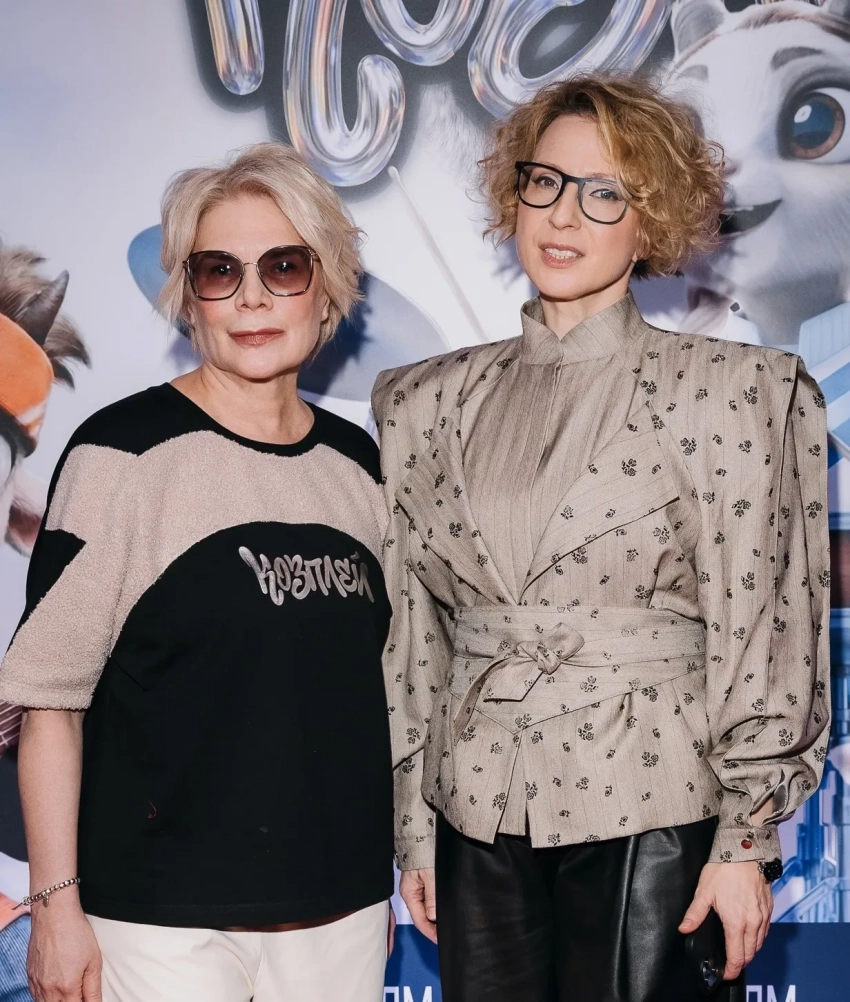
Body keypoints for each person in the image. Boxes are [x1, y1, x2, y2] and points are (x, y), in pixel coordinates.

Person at [372, 76, 830, 1002]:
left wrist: (745, 839)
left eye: (605, 193)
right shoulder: (422, 401)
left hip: (654, 800)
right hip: (477, 804)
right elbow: (414, 636)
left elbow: (764, 626)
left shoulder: (734, 393)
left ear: (650, 217)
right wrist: (415, 828)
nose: (563, 215)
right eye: (545, 181)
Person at [0, 142, 394, 1002]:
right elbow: (49, 701)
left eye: (283, 267)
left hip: (343, 912)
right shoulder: (121, 454)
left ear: (327, 287)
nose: (251, 296)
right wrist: (56, 911)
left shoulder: (360, 465)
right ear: (189, 297)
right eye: (220, 271)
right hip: (158, 924)